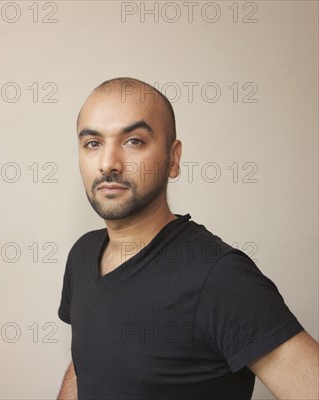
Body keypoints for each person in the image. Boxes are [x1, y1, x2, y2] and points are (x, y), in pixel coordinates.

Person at [57, 78, 319, 399]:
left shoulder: (220, 277)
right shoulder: (82, 255)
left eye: (134, 141)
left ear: (173, 157)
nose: (108, 163)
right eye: (93, 143)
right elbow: (86, 364)